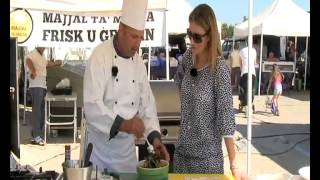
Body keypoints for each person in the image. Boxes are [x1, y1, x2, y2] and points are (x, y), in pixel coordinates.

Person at [83, 0, 170, 173]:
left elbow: (147, 107)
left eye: (141, 37)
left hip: (126, 154)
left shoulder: (138, 64)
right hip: (99, 154)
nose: (138, 44)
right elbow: (92, 107)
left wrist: (155, 138)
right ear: (121, 30)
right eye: (133, 36)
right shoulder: (99, 56)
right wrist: (126, 125)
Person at [173, 4, 247, 180]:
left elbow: (226, 118)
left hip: (207, 162)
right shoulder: (189, 58)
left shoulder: (219, 69)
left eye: (197, 37)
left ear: (210, 37)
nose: (191, 41)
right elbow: (177, 82)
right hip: (181, 158)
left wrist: (234, 165)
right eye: (189, 34)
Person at [25, 47, 62, 145]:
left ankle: (35, 134)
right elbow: (28, 60)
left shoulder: (42, 55)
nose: (45, 47)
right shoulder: (34, 53)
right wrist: (33, 71)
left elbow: (46, 64)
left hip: (42, 86)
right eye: (43, 45)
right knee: (37, 111)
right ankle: (37, 136)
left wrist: (56, 63)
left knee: (42, 110)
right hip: (36, 85)